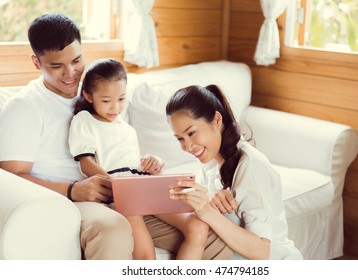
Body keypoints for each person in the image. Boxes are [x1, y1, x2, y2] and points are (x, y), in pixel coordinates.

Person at [0, 13, 231, 260]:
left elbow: (114, 147)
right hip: (72, 201)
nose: (71, 74)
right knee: (115, 229)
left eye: (77, 60)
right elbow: (11, 179)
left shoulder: (96, 91)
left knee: (212, 237)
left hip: (122, 190)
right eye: (56, 66)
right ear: (36, 62)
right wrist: (72, 190)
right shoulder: (25, 107)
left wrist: (142, 165)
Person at [69, 58, 211, 260]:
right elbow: (86, 163)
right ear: (88, 96)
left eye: (121, 99)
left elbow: (132, 161)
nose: (115, 108)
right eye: (106, 101)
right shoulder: (84, 120)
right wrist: (117, 185)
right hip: (123, 193)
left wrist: (153, 162)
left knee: (198, 226)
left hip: (142, 185)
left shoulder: (126, 129)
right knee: (146, 256)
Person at [165, 84, 303, 260]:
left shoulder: (250, 165)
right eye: (180, 139)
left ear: (216, 120)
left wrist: (206, 210)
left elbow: (261, 251)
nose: (188, 146)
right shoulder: (209, 158)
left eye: (192, 133)